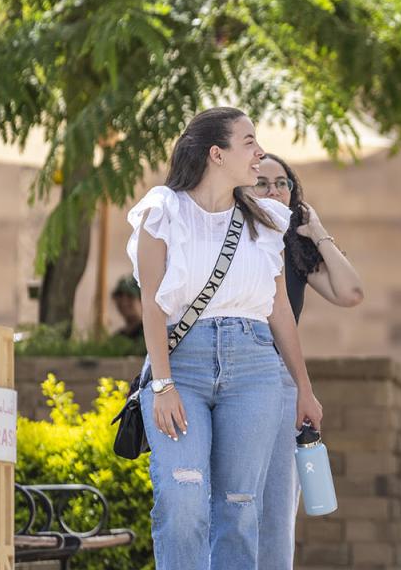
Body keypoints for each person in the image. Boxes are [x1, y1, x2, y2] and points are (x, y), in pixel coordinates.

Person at [127, 106, 323, 570]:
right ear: (217, 154)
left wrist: (304, 387)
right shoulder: (163, 210)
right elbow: (152, 305)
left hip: (255, 368)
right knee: (182, 500)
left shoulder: (267, 220)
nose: (260, 152)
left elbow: (279, 311)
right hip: (183, 367)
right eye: (249, 141)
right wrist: (163, 384)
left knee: (238, 506)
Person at [250, 152, 365, 570]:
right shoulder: (229, 238)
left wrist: (317, 233)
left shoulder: (293, 249)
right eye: (262, 183)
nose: (275, 191)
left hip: (281, 378)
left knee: (278, 506)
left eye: (282, 183)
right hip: (235, 371)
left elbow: (351, 293)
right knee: (236, 500)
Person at [110, 275, 143, 340]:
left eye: (130, 296)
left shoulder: (151, 334)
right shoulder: (118, 339)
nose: (124, 303)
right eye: (120, 295)